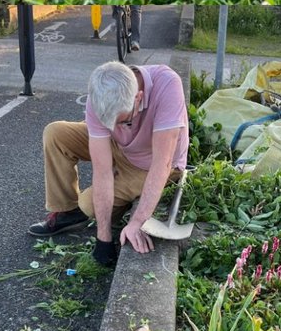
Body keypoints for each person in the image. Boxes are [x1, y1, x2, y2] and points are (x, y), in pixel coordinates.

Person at [28, 60, 188, 268]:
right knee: (55, 134)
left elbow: (162, 163)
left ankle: (105, 207)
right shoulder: (101, 93)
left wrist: (138, 221)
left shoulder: (167, 85)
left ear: (138, 98)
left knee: (89, 203)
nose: (116, 128)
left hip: (148, 163)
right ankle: (67, 211)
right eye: (108, 123)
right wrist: (103, 238)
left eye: (124, 122)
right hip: (120, 148)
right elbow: (102, 171)